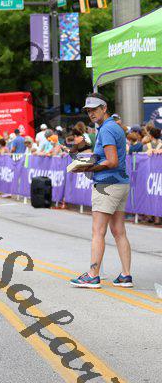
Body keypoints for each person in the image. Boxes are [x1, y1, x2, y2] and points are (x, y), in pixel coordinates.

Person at [70, 93, 133, 289]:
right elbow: (111, 158)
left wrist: (88, 167)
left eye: (94, 109)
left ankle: (92, 275)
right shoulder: (114, 126)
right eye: (88, 110)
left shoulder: (106, 129)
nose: (91, 113)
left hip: (106, 185)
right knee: (119, 231)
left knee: (98, 231)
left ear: (104, 108)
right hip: (120, 183)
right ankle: (125, 275)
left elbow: (112, 161)